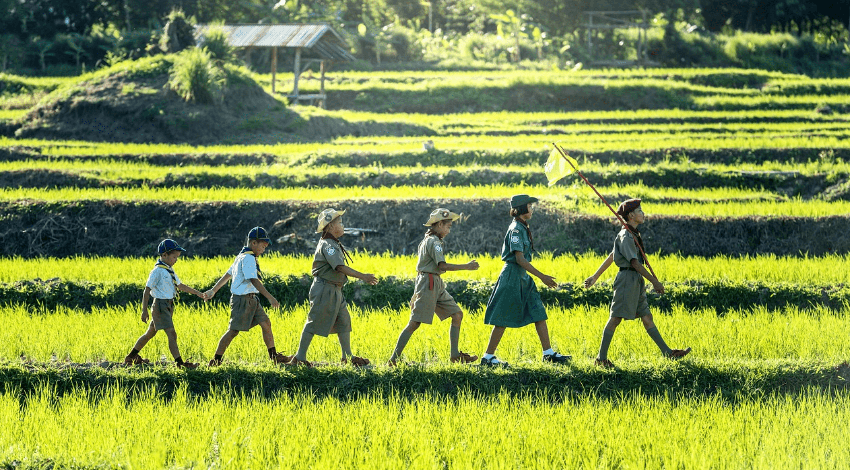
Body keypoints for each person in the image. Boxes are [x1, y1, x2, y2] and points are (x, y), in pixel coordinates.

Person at [584, 198, 691, 368]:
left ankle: (667, 353)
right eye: (640, 211)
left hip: (636, 280)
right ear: (631, 215)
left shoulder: (632, 233)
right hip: (627, 280)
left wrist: (595, 276)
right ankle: (600, 358)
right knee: (615, 318)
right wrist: (655, 282)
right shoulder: (626, 235)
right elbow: (634, 262)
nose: (643, 213)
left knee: (647, 317)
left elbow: (613, 255)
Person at [480, 195, 571, 368]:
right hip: (512, 277)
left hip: (523, 277)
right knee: (502, 318)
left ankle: (548, 353)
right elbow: (520, 259)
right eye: (529, 206)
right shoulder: (516, 229)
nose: (532, 208)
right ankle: (488, 357)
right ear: (522, 209)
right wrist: (542, 276)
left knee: (538, 312)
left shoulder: (522, 227)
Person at [388, 208, 480, 365]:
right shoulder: (433, 242)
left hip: (435, 283)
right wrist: (466, 266)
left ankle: (455, 355)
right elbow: (442, 265)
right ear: (439, 225)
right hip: (428, 283)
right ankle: (393, 360)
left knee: (457, 315)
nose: (449, 230)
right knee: (415, 323)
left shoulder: (433, 240)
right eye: (448, 226)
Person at [288, 209, 378, 367]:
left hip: (335, 289)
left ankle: (347, 357)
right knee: (314, 321)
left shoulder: (332, 243)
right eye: (340, 223)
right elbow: (340, 267)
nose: (343, 226)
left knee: (343, 321)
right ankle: (299, 357)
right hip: (324, 289)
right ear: (329, 226)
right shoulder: (328, 245)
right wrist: (363, 276)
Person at [204, 227, 291, 366]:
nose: (263, 250)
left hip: (252, 300)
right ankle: (216, 360)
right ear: (254, 243)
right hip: (242, 300)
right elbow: (254, 280)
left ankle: (274, 356)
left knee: (266, 323)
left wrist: (213, 290)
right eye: (262, 246)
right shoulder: (248, 258)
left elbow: (228, 275)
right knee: (233, 331)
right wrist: (270, 297)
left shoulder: (241, 256)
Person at [124, 239, 205, 369]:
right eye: (174, 257)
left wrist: (198, 293)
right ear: (164, 255)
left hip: (168, 306)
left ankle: (131, 356)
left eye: (177, 257)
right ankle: (180, 363)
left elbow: (181, 286)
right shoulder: (157, 271)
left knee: (150, 333)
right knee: (172, 334)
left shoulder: (169, 270)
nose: (176, 260)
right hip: (160, 306)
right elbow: (147, 290)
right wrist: (144, 311)